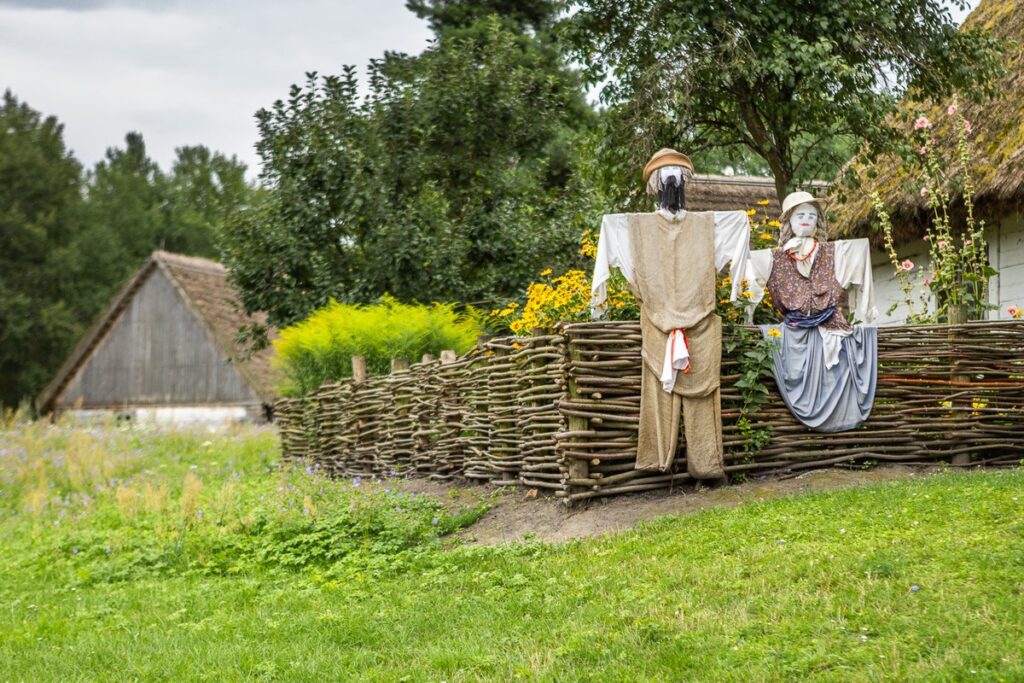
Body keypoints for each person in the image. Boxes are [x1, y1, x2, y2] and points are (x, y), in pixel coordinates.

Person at [590, 148, 751, 480]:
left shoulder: (707, 225)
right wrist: (599, 302)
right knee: (658, 394)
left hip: (702, 325)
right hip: (656, 323)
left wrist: (739, 291)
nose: (673, 184)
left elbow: (740, 224)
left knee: (704, 394)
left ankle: (707, 464)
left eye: (678, 178)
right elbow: (609, 232)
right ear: (656, 184)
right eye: (667, 179)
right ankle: (655, 460)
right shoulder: (636, 227)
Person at [743, 191, 878, 431]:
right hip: (794, 332)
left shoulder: (835, 252)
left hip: (831, 327)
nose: (806, 219)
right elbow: (746, 275)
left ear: (818, 221)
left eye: (812, 215)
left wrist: (864, 313)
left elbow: (861, 254)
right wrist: (748, 318)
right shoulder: (773, 258)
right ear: (789, 222)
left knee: (837, 373)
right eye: (800, 215)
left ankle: (840, 426)